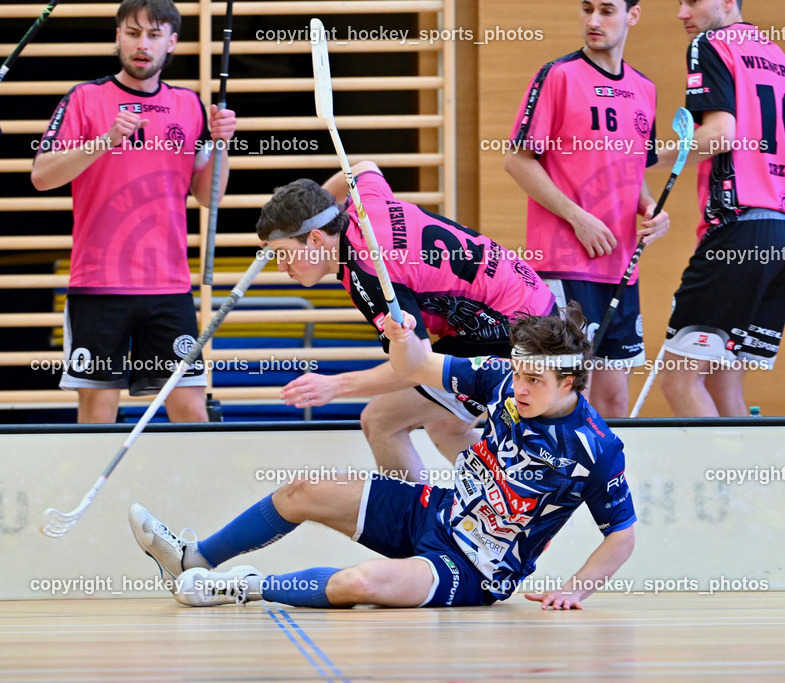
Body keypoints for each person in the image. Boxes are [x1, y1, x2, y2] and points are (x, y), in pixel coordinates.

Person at [128, 303, 636, 610]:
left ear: (568, 383)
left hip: (472, 568)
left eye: (535, 381)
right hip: (435, 511)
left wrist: (575, 590)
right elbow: (416, 364)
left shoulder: (595, 448)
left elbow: (622, 535)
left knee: (360, 583)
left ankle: (243, 588)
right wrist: (403, 338)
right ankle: (192, 559)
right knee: (303, 490)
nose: (519, 387)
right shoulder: (502, 375)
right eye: (520, 374)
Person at [257, 162, 556, 482]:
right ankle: (510, 511)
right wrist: (316, 207)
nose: (281, 267)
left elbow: (416, 365)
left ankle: (420, 526)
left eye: (284, 253)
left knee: (382, 422)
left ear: (316, 239)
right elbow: (363, 167)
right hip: (533, 303)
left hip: (509, 329)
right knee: (447, 425)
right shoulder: (364, 205)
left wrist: (335, 384)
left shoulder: (370, 274)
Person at [30, 0, 235, 424]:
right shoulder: (85, 98)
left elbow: (207, 195)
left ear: (171, 43)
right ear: (118, 36)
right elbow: (42, 175)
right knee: (99, 412)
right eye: (133, 33)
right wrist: (105, 139)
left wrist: (220, 143)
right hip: (98, 284)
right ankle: (95, 493)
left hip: (168, 286)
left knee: (190, 409)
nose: (143, 44)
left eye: (154, 35)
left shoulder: (189, 106)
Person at [504, 0, 668, 418]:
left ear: (633, 15)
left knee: (613, 400)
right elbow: (517, 160)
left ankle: (601, 483)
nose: (593, 21)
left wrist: (650, 207)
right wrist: (577, 217)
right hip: (563, 265)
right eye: (587, 8)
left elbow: (632, 171)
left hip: (622, 267)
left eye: (607, 10)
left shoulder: (644, 89)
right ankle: (558, 483)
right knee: (567, 395)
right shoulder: (558, 76)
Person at [659, 0, 785, 417]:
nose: (681, 14)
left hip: (738, 229)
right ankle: (749, 481)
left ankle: (722, 482)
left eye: (691, 1)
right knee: (725, 384)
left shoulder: (710, 44)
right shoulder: (780, 59)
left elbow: (720, 134)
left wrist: (649, 156)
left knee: (680, 380)